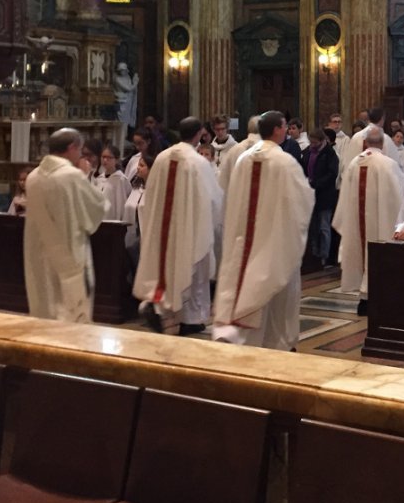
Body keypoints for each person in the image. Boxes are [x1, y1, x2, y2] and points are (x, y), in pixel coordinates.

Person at [210, 110, 314, 349]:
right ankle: (280, 342)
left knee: (246, 281)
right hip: (275, 240)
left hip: (244, 238)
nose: (287, 129)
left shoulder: (243, 159)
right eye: (285, 125)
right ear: (277, 130)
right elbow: (301, 201)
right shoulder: (285, 161)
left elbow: (230, 196)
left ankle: (248, 340)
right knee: (279, 295)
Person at [134, 115, 223, 335]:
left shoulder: (163, 157)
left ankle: (163, 308)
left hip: (165, 226)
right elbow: (213, 199)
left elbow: (151, 191)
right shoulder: (199, 163)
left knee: (167, 265)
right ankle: (189, 319)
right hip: (189, 228)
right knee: (192, 270)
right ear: (200, 133)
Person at [23, 127, 107, 323]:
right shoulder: (71, 176)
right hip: (68, 258)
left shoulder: (33, 177)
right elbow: (96, 209)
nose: (80, 155)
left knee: (44, 312)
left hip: (39, 257)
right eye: (80, 150)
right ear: (71, 147)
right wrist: (86, 176)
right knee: (70, 319)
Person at [333, 126, 404, 300]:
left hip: (356, 224)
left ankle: (364, 298)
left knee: (359, 251)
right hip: (380, 224)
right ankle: (375, 297)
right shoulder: (388, 165)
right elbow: (400, 198)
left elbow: (343, 198)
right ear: (382, 143)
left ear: (365, 143)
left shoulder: (353, 164)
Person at [301, 126, 338, 265]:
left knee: (324, 227)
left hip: (325, 195)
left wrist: (316, 183)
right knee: (313, 227)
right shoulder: (306, 153)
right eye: (311, 142)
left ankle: (324, 256)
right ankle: (314, 255)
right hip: (310, 194)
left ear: (322, 141)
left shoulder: (330, 154)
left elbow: (332, 173)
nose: (312, 145)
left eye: (315, 143)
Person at [94, 143, 132, 221]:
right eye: (103, 157)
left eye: (109, 158)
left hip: (113, 222)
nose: (105, 160)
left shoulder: (120, 179)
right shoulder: (99, 179)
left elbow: (121, 205)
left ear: (117, 160)